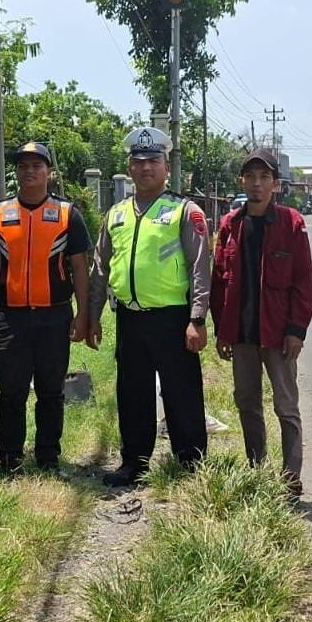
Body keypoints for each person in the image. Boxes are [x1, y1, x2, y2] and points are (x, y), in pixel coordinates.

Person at [87, 127, 211, 487]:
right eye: (139, 162)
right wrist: (92, 316)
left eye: (153, 161)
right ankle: (133, 462)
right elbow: (100, 268)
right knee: (132, 392)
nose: (145, 169)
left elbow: (200, 266)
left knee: (182, 393)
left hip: (174, 319)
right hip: (130, 319)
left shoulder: (184, 211)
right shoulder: (115, 214)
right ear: (130, 166)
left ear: (166, 166)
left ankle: (190, 464)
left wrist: (197, 319)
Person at [0, 142, 91, 475]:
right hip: (10, 317)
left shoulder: (68, 214)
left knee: (51, 391)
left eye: (36, 166)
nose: (30, 171)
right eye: (23, 166)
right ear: (17, 172)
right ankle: (10, 455)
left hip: (54, 315)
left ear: (49, 172)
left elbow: (80, 268)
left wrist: (83, 314)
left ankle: (48, 456)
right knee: (11, 390)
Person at [210, 148, 312, 499]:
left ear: (275, 184)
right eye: (250, 177)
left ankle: (291, 476)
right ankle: (257, 467)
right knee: (246, 401)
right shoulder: (230, 225)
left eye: (264, 178)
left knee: (286, 405)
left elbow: (304, 282)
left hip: (278, 334)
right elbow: (219, 283)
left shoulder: (291, 223)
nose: (257, 184)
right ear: (242, 181)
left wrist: (296, 330)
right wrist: (221, 330)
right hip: (241, 334)